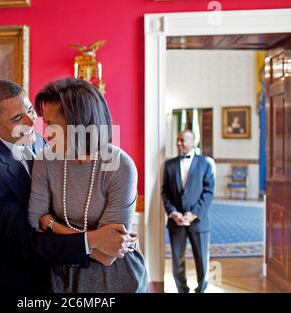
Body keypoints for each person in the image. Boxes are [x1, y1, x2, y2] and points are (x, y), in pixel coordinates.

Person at [0, 80, 137, 294]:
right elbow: (23, 243)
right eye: (17, 118)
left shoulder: (41, 142)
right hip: (21, 282)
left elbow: (110, 250)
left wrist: (50, 222)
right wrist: (93, 239)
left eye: (30, 110)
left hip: (86, 279)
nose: (32, 122)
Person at [27, 78, 148, 293]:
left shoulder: (121, 166)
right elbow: (35, 226)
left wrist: (53, 225)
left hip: (115, 278)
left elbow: (107, 254)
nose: (46, 134)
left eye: (53, 126)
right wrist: (94, 239)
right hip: (60, 274)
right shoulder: (45, 160)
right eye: (46, 124)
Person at [161, 130, 215, 293]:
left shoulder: (205, 163)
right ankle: (182, 290)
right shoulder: (169, 164)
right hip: (176, 221)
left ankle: (201, 290)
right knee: (177, 260)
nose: (179, 144)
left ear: (193, 142)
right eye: (178, 141)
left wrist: (193, 214)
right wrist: (173, 213)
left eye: (183, 140)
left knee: (201, 259)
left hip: (198, 221)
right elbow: (165, 192)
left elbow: (208, 191)